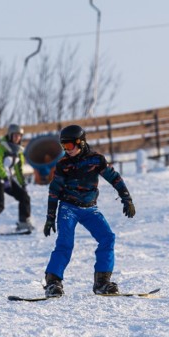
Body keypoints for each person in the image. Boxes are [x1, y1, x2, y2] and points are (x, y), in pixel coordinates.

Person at [42, 125, 136, 297]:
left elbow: (114, 177)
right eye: (64, 146)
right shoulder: (64, 164)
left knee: (107, 238)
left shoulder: (96, 160)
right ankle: (53, 282)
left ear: (81, 142)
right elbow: (54, 191)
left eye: (69, 146)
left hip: (90, 208)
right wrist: (50, 217)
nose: (67, 150)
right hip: (68, 208)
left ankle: (102, 282)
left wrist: (126, 198)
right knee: (65, 243)